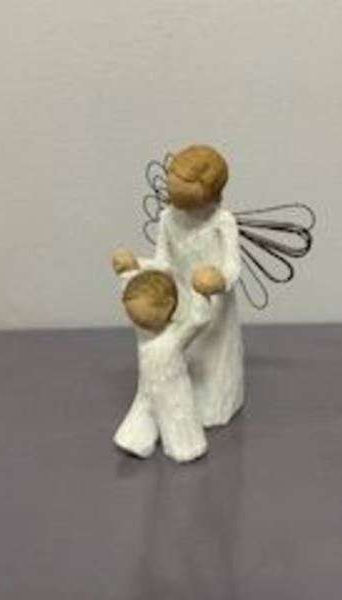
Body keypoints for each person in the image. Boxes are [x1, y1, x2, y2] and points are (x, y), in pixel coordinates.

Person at [112, 145, 244, 427]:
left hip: (215, 306)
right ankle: (183, 408)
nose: (174, 196)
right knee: (185, 357)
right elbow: (164, 263)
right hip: (182, 300)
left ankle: (215, 407)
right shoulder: (167, 219)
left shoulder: (223, 222)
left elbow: (233, 268)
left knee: (212, 361)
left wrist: (218, 279)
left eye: (185, 189)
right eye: (173, 187)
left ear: (210, 192)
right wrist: (136, 264)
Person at [114, 269, 211, 463]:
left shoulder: (176, 334)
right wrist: (126, 271)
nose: (137, 322)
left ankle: (186, 447)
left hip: (172, 390)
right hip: (147, 388)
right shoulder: (145, 335)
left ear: (168, 305)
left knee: (177, 416)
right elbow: (129, 289)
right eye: (133, 317)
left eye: (142, 317)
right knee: (142, 411)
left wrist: (200, 294)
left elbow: (198, 322)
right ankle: (135, 440)